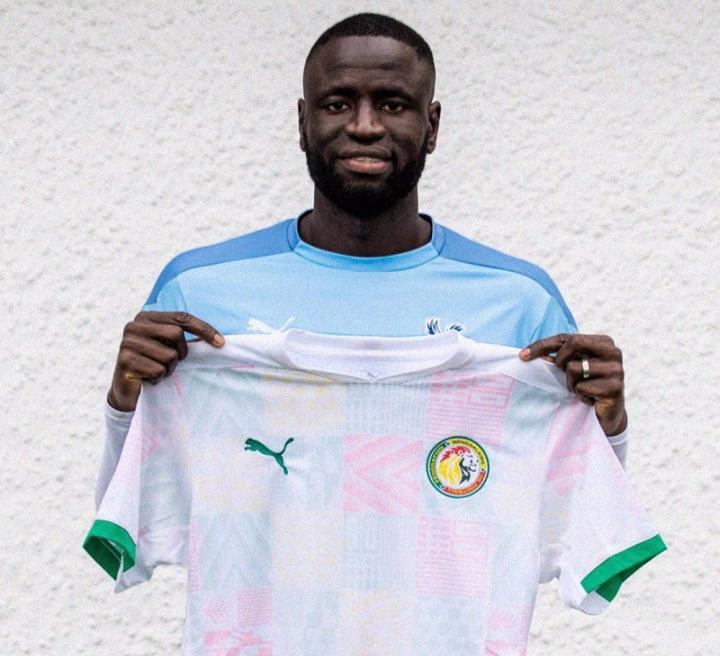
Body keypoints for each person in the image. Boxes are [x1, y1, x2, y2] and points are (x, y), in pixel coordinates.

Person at [96, 12, 628, 508]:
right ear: (302, 123)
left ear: (432, 126)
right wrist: (124, 402)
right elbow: (137, 514)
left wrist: (609, 426)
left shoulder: (520, 303)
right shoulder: (198, 293)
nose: (365, 126)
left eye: (393, 104)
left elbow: (575, 516)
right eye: (337, 104)